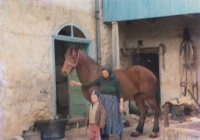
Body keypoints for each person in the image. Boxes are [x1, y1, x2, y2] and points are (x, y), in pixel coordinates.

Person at [70, 66, 124, 140]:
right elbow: (89, 84)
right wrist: (76, 83)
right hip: (103, 101)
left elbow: (120, 93)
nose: (104, 75)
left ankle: (120, 134)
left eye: (105, 73)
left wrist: (121, 105)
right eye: (103, 73)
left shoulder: (115, 80)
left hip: (113, 102)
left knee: (116, 118)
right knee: (104, 118)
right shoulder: (101, 79)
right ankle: (106, 135)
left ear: (110, 72)